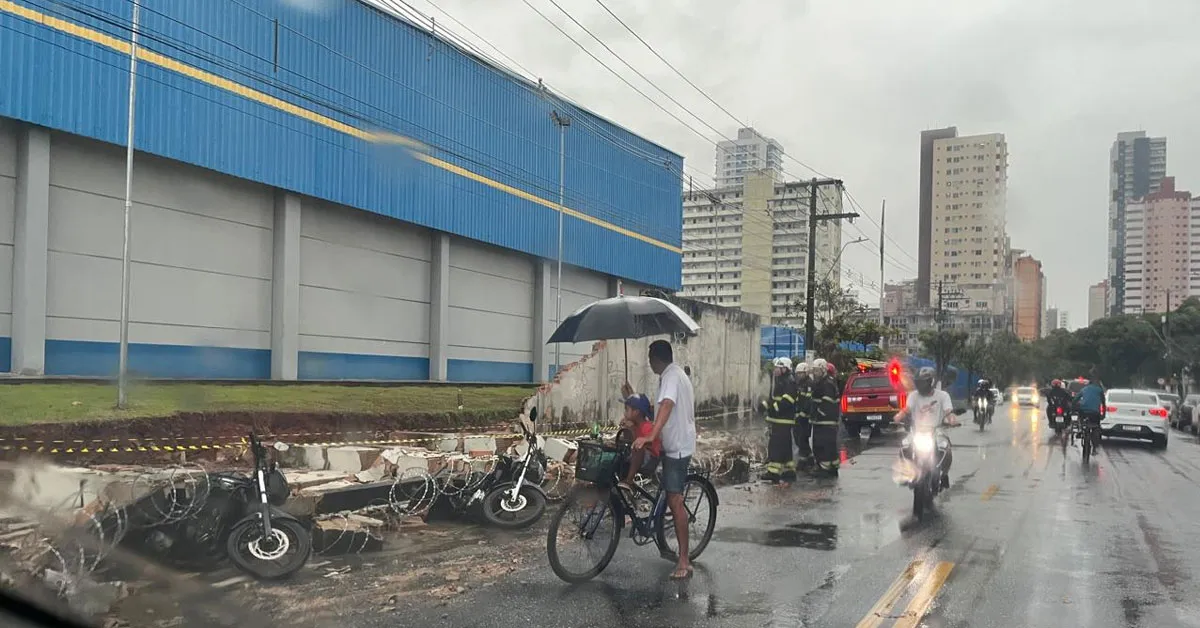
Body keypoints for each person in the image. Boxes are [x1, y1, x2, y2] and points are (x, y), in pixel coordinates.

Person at [632, 340, 696, 581]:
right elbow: (657, 409)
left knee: (675, 500)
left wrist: (650, 435)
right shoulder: (670, 376)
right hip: (671, 443)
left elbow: (667, 405)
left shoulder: (671, 376)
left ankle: (684, 561)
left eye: (650, 359)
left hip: (678, 447)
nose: (649, 364)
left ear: (657, 358)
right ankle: (660, 529)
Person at [893, 366, 959, 487]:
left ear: (932, 382)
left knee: (945, 447)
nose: (921, 385)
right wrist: (899, 416)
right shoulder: (913, 396)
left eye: (923, 382)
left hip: (937, 429)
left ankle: (944, 474)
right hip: (917, 430)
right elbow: (906, 409)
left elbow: (948, 411)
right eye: (918, 382)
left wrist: (952, 419)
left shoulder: (942, 396)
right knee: (904, 445)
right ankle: (907, 471)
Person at [760, 357, 800, 482]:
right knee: (785, 447)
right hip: (778, 420)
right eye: (775, 368)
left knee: (776, 446)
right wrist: (763, 406)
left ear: (785, 369)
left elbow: (787, 401)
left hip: (783, 420)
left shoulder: (789, 381)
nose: (775, 370)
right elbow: (774, 399)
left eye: (778, 368)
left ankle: (773, 473)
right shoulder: (780, 380)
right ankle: (789, 471)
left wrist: (773, 409)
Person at [615, 394, 660, 492]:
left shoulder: (646, 427)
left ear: (636, 412)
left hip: (650, 460)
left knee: (637, 448)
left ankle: (629, 480)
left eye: (627, 410)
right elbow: (628, 441)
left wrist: (631, 429)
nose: (624, 413)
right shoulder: (634, 426)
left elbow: (640, 443)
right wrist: (626, 429)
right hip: (638, 457)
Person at [809, 358, 842, 477]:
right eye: (814, 371)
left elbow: (826, 403)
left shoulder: (826, 384)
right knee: (829, 446)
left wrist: (817, 413)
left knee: (822, 445)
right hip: (826, 421)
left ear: (823, 370)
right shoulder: (826, 382)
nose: (815, 373)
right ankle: (832, 467)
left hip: (824, 421)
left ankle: (824, 468)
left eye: (817, 371)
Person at [792, 361, 815, 471]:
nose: (799, 375)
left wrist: (802, 414)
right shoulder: (799, 384)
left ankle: (802, 462)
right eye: (798, 373)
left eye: (801, 373)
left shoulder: (809, 384)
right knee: (798, 438)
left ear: (805, 373)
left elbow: (808, 401)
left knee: (802, 438)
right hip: (798, 416)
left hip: (805, 418)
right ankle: (809, 458)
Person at [1073, 375, 1106, 447]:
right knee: (1096, 426)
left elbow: (1075, 400)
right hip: (1095, 413)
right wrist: (1103, 414)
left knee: (1080, 417)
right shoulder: (1099, 390)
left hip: (1084, 411)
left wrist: (1073, 407)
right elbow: (1103, 403)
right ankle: (1095, 442)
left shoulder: (1084, 389)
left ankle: (1080, 429)